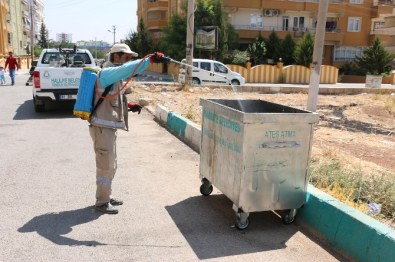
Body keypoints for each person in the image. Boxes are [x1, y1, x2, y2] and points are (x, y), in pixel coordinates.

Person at [89, 43, 168, 214]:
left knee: (111, 164)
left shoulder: (114, 76)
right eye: (126, 57)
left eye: (130, 58)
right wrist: (150, 59)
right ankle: (101, 202)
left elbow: (115, 96)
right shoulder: (108, 73)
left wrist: (129, 105)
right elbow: (129, 69)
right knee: (105, 165)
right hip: (102, 127)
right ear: (115, 56)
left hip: (107, 127)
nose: (129, 60)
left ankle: (106, 196)